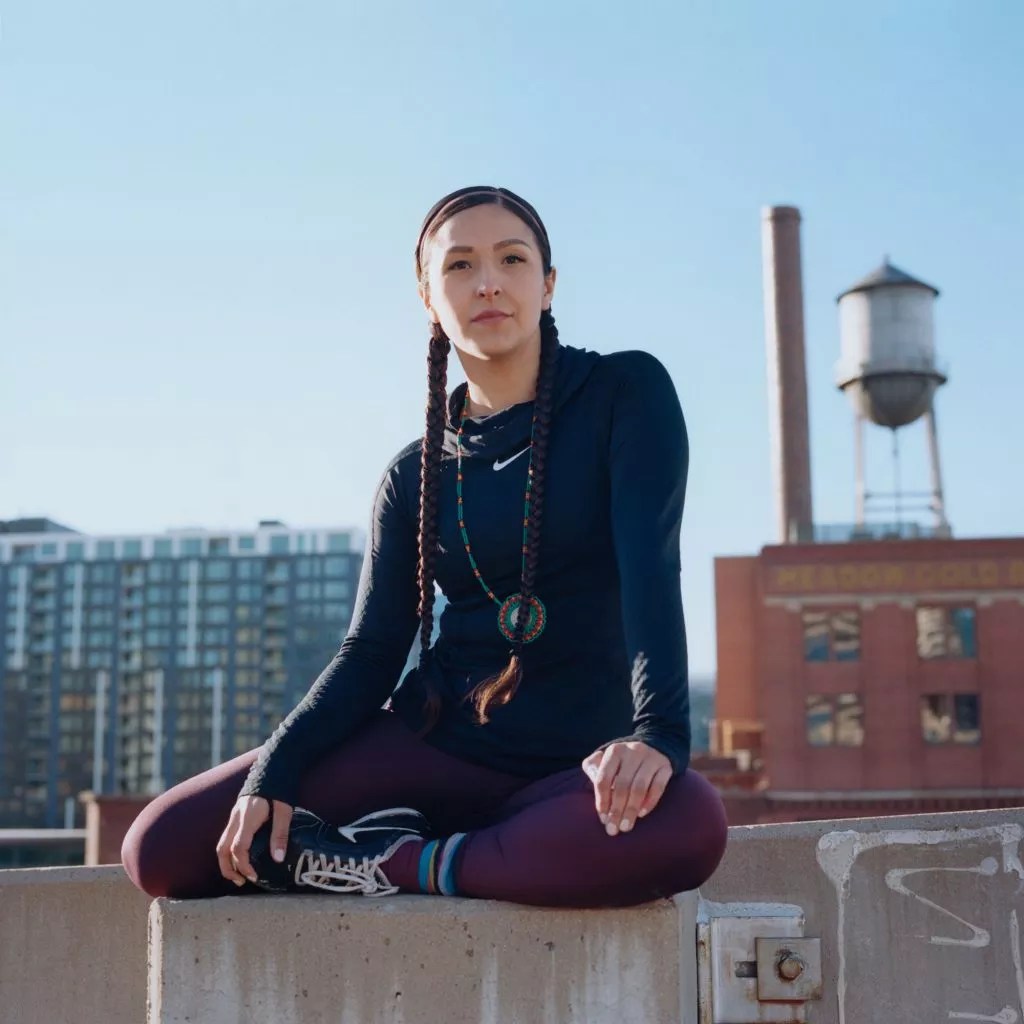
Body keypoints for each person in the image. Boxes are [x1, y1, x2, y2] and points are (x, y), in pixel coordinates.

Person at [121, 185, 728, 908]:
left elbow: (652, 568)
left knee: (689, 821)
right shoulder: (414, 474)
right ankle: (469, 851)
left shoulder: (625, 392)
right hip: (436, 749)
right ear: (428, 298)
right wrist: (272, 775)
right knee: (164, 848)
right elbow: (371, 652)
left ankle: (398, 861)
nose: (488, 282)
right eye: (460, 265)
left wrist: (657, 735)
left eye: (512, 259)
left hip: (575, 769)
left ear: (548, 284)